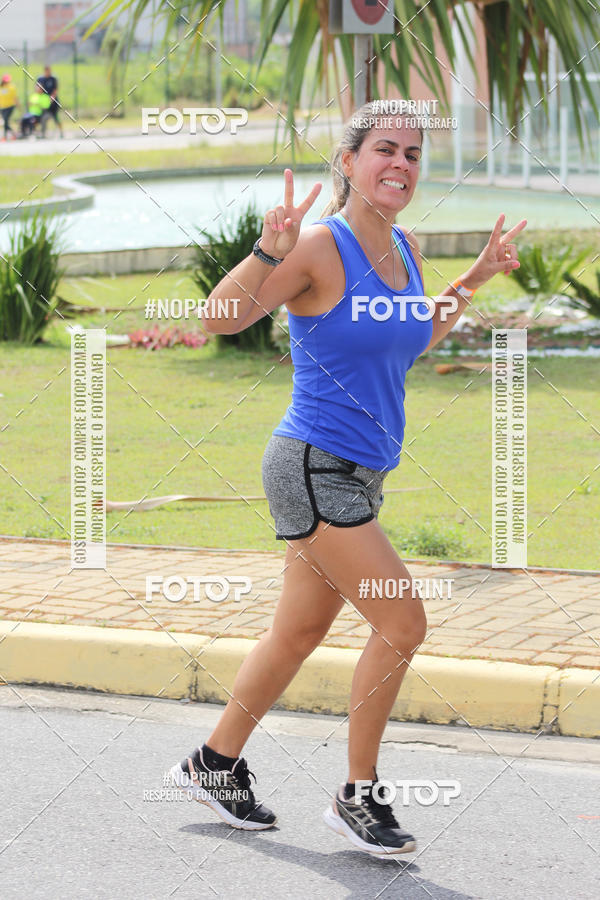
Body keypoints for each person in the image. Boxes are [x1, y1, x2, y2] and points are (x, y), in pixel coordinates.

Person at [169, 101, 526, 857]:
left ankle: (214, 762)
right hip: (311, 466)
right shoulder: (317, 247)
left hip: (360, 476)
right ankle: (356, 796)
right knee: (403, 621)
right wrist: (267, 251)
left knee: (297, 632)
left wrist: (478, 274)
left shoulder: (404, 247)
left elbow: (415, 333)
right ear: (350, 162)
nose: (400, 164)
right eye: (385, 149)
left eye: (413, 154)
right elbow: (220, 318)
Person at [37, 65, 63, 137]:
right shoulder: (41, 79)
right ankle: (43, 133)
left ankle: (61, 133)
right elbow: (38, 90)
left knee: (56, 118)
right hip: (45, 102)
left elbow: (55, 90)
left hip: (53, 102)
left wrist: (52, 98)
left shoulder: (53, 79)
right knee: (43, 118)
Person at [0, 73, 17, 140]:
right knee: (5, 122)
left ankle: (5, 137)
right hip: (2, 107)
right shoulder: (1, 87)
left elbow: (15, 98)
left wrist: (18, 106)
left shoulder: (11, 87)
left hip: (10, 106)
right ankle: (13, 134)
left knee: (5, 121)